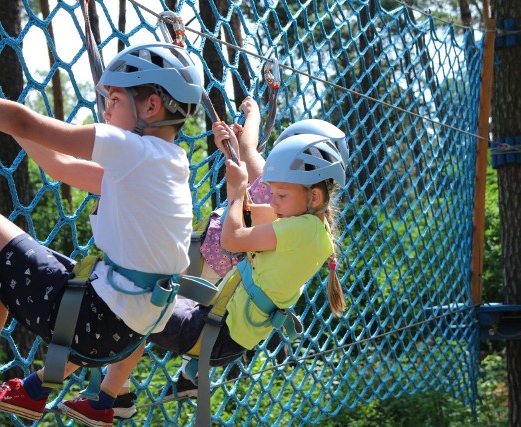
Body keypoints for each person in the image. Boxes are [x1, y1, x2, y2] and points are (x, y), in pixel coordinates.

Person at [0, 41, 203, 426]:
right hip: (121, 335)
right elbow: (59, 164)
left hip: (91, 321)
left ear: (151, 107)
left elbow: (28, 123)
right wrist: (0, 121)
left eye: (113, 99)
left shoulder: (131, 150)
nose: (105, 108)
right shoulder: (167, 167)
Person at [95, 100, 349, 418]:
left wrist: (236, 189)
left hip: (219, 327)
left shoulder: (300, 227)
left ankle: (110, 395)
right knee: (144, 298)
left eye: (281, 194)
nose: (275, 198)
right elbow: (248, 208)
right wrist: (236, 174)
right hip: (223, 319)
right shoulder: (307, 224)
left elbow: (233, 235)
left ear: (313, 195)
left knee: (132, 303)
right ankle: (167, 379)